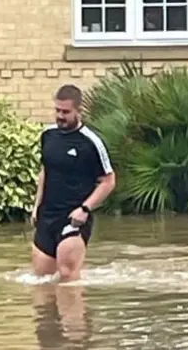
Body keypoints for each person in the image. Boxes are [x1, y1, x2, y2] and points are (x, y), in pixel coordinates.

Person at [30, 84, 116, 282]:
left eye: (66, 112)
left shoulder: (91, 142)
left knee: (68, 276)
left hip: (73, 218)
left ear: (78, 110)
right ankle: (49, 314)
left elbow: (108, 181)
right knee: (42, 281)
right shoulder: (47, 135)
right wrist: (36, 206)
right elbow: (45, 171)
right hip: (47, 216)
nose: (60, 116)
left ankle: (76, 313)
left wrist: (84, 209)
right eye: (57, 110)